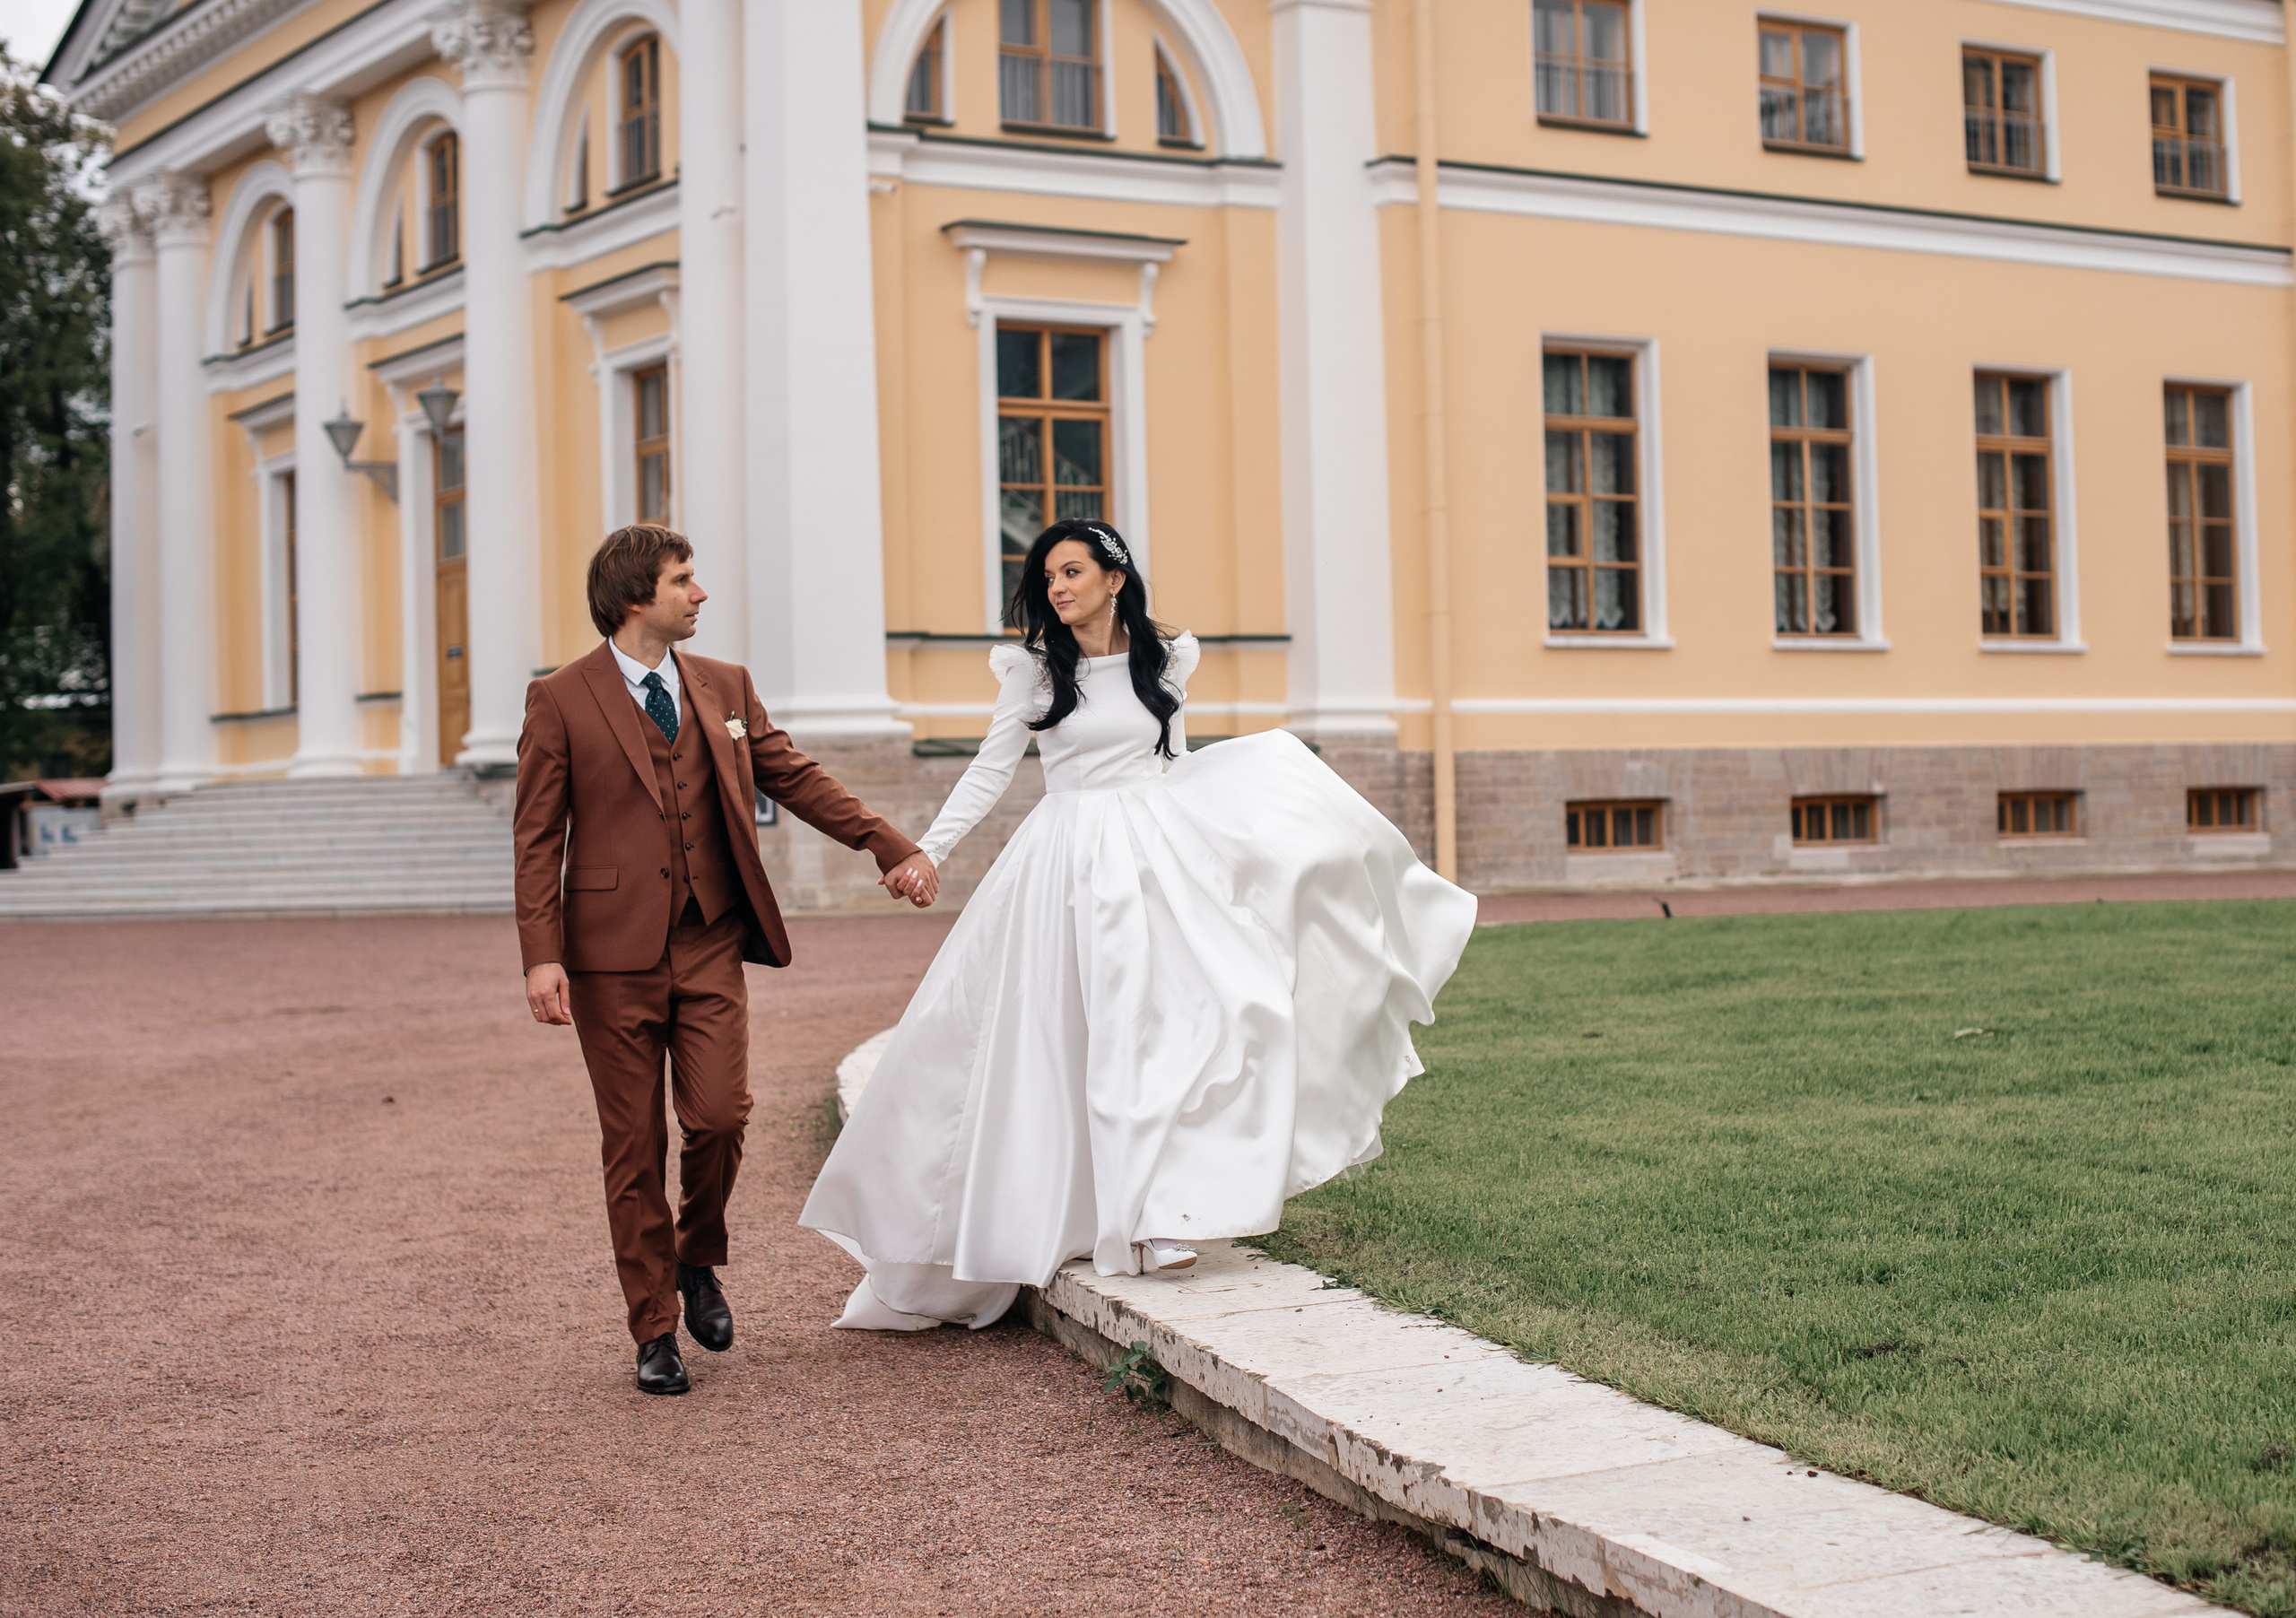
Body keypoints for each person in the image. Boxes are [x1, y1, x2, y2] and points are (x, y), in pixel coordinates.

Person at [800, 519, 1478, 1330]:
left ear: (1114, 578)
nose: (1056, 587)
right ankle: (1093, 1212)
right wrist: (927, 851)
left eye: (1072, 571)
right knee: (1083, 1034)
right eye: (1048, 575)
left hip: (1154, 860)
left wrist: (1235, 841)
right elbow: (989, 770)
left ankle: (1159, 1213)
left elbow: (1175, 763)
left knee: (1182, 1024)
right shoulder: (1033, 671)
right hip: (1065, 865)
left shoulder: (1166, 659)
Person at [515, 525, 938, 1395]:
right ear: (636, 598)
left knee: (718, 1116)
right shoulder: (559, 698)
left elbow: (794, 775)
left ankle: (695, 1252)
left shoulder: (726, 686)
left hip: (708, 938)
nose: (700, 593)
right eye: (683, 580)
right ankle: (653, 1329)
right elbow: (536, 838)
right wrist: (541, 955)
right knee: (632, 1146)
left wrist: (887, 842)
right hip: (609, 958)